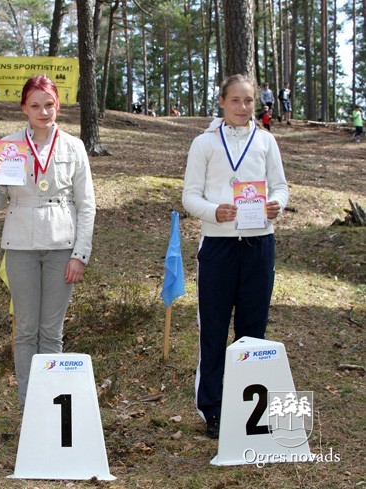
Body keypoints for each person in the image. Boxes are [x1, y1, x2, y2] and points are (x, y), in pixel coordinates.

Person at [182, 74, 289, 439]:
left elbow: (280, 186)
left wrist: (277, 205)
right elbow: (190, 196)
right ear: (222, 102)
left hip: (260, 245)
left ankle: (249, 408)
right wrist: (214, 212)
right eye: (236, 100)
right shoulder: (204, 143)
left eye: (249, 101)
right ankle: (212, 409)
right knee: (213, 330)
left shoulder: (266, 141)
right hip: (218, 246)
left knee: (253, 330)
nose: (243, 108)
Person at [0, 74, 96, 407]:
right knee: (26, 331)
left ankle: (50, 408)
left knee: (51, 332)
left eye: (49, 105)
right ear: (24, 108)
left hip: (62, 246)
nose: (43, 112)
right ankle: (29, 408)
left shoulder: (74, 147)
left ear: (58, 105)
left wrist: (80, 254)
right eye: (35, 106)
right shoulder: (10, 147)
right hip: (20, 247)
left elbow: (86, 204)